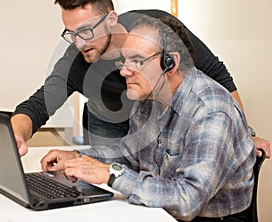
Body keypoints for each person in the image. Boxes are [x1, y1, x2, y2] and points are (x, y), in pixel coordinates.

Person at [11, 0, 270, 157]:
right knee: (108, 184)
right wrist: (16, 133)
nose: (79, 42)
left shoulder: (158, 30)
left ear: (111, 19)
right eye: (71, 33)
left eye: (86, 31)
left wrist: (244, 135)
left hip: (159, 118)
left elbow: (217, 74)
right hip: (108, 120)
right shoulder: (77, 60)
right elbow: (39, 103)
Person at [40, 15, 255, 221]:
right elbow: (129, 153)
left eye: (136, 61)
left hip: (209, 218)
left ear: (170, 63)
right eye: (125, 61)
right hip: (162, 209)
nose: (124, 71)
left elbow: (188, 200)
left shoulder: (210, 112)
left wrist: (112, 175)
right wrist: (77, 158)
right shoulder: (149, 96)